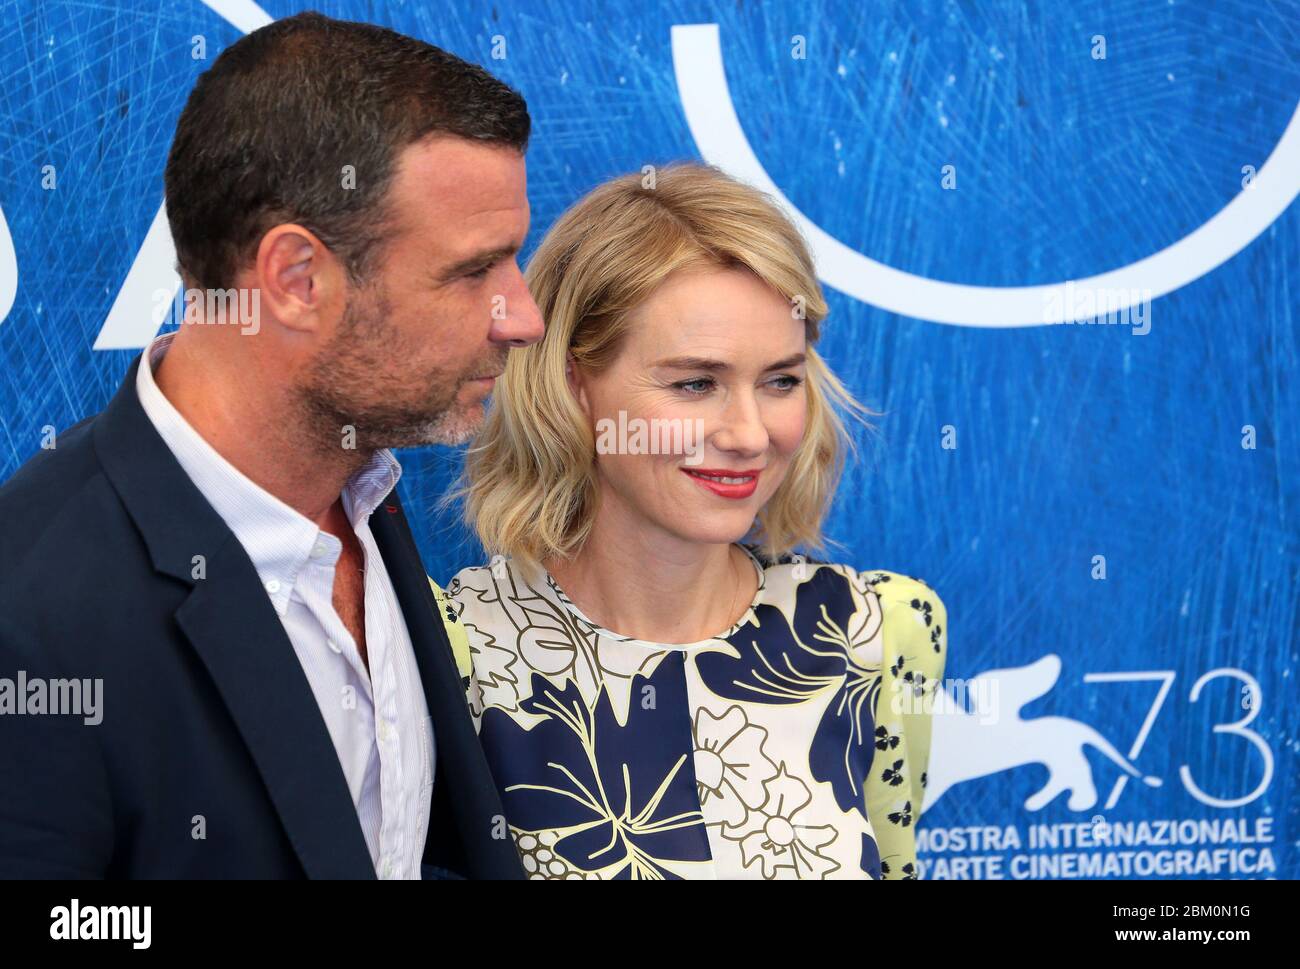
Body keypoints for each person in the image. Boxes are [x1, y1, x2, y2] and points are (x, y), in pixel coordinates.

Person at [0, 12, 542, 879]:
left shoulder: (367, 492)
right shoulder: (30, 619)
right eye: (476, 270)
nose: (523, 317)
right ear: (295, 280)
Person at [443, 162, 948, 879]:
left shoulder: (878, 629)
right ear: (573, 382)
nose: (747, 433)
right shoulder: (451, 651)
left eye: (780, 380)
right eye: (696, 383)